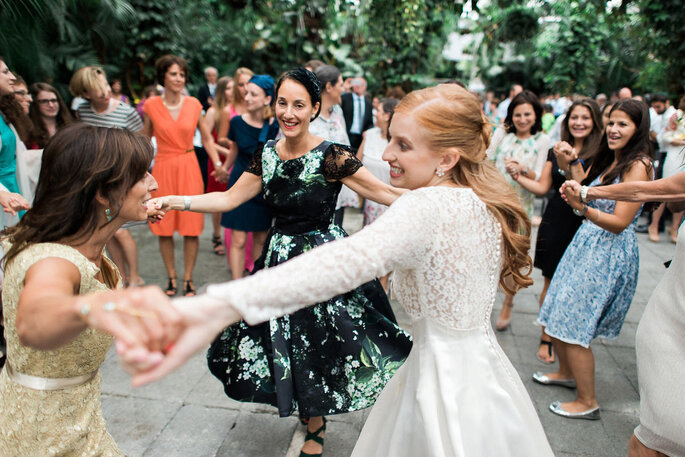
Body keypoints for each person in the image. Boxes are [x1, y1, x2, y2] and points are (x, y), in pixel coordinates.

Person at [129, 83, 556, 457]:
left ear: (446, 158)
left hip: (442, 385)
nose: (385, 153)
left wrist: (215, 305)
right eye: (390, 139)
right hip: (483, 374)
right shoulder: (477, 200)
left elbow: (344, 262)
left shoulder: (423, 206)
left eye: (402, 145)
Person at [147, 67, 412, 457]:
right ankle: (307, 406)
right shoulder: (267, 154)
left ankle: (316, 419)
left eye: (299, 105)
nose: (289, 113)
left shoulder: (333, 156)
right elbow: (226, 200)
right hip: (278, 258)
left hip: (323, 260)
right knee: (284, 337)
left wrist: (447, 201)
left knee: (320, 340)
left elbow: (387, 194)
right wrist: (173, 200)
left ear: (315, 108)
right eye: (283, 103)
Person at [0, 123, 180, 456]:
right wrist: (99, 307)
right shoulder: (55, 261)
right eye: (142, 175)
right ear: (101, 192)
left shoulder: (85, 241)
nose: (154, 183)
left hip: (81, 421)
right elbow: (34, 321)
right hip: (44, 436)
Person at [534, 99, 653, 420]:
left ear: (638, 128)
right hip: (587, 243)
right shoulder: (613, 158)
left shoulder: (637, 164)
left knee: (575, 321)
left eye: (623, 124)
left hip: (607, 252)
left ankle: (587, 402)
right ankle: (565, 373)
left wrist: (583, 208)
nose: (614, 129)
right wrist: (570, 163)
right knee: (558, 308)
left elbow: (620, 222)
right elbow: (583, 187)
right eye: (611, 122)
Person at [562, 171, 685, 457]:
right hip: (672, 320)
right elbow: (668, 198)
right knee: (651, 441)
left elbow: (642, 191)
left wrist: (587, 193)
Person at [508, 97, 603, 364]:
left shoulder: (602, 153)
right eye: (574, 117)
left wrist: (571, 162)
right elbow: (542, 188)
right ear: (566, 121)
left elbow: (583, 190)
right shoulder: (555, 149)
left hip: (584, 223)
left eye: (585, 118)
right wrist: (517, 176)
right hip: (557, 219)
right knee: (550, 281)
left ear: (594, 121)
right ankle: (547, 337)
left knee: (577, 285)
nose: (579, 123)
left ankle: (570, 337)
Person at [141, 54, 227, 297]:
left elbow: (207, 139)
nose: (179, 78)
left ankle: (188, 277)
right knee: (163, 225)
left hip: (189, 166)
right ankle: (171, 276)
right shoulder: (151, 105)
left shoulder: (194, 105)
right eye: (173, 74)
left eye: (182, 74)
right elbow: (145, 139)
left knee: (192, 227)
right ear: (163, 77)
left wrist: (219, 163)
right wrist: (137, 169)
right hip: (164, 167)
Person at [69, 65, 146, 288]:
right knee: (106, 231)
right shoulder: (83, 111)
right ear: (85, 93)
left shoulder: (126, 111)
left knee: (121, 230)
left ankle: (136, 277)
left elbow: (140, 144)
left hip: (122, 177)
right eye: (97, 89)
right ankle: (119, 277)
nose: (104, 92)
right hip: (96, 179)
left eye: (105, 86)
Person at [486, 89, 551, 331]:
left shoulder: (542, 141)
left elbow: (540, 178)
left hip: (521, 208)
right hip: (495, 205)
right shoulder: (503, 134)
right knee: (490, 256)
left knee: (514, 260)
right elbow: (487, 161)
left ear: (536, 116)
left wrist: (523, 168)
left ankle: (508, 302)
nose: (522, 119)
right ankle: (484, 302)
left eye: (527, 114)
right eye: (517, 114)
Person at [219, 75, 278, 279]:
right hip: (240, 182)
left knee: (261, 239)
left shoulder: (275, 126)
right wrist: (224, 168)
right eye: (246, 93)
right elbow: (235, 148)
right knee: (238, 240)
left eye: (254, 94)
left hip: (263, 186)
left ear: (267, 99)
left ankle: (255, 284)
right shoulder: (236, 122)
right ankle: (237, 286)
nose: (247, 98)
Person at [217, 67, 256, 271]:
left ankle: (251, 263)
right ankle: (238, 266)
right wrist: (240, 138)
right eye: (240, 84)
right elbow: (223, 138)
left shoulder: (261, 109)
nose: (243, 89)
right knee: (237, 223)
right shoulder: (229, 110)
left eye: (247, 84)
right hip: (239, 166)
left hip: (257, 170)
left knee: (256, 226)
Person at [311, 65, 357, 226]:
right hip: (315, 195)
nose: (344, 88)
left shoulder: (338, 111)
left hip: (339, 191)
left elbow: (345, 146)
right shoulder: (308, 116)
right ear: (329, 87)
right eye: (341, 84)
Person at [203, 75, 233, 256]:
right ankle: (216, 236)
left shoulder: (237, 110)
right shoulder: (214, 111)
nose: (233, 91)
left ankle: (232, 237)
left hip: (234, 158)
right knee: (218, 200)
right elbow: (206, 139)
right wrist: (225, 154)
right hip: (217, 160)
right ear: (222, 91)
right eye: (228, 88)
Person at [649, 95, 685, 243]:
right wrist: (680, 141)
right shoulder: (677, 115)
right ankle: (654, 225)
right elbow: (665, 136)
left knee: (683, 193)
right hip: (675, 154)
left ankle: (675, 228)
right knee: (665, 190)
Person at [28, 82, 72, 149]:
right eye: (44, 101)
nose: (51, 105)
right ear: (35, 104)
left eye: (54, 100)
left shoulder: (70, 127)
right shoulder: (29, 131)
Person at [341, 77, 373, 151]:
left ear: (365, 87)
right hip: (345, 135)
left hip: (360, 139)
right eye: (356, 83)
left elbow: (370, 122)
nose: (358, 86)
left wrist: (367, 131)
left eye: (361, 84)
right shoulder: (344, 98)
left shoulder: (368, 103)